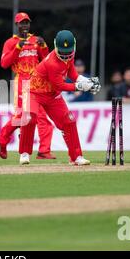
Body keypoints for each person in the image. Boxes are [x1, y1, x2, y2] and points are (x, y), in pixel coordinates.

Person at [19, 30, 101, 165]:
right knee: (30, 117)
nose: (66, 57)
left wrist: (88, 82)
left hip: (52, 95)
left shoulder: (70, 55)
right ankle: (24, 153)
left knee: (69, 122)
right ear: (56, 46)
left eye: (68, 53)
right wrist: (81, 86)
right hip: (33, 91)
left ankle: (76, 157)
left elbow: (73, 74)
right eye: (63, 54)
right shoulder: (52, 63)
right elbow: (60, 85)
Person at [0, 12, 56, 162]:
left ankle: (44, 151)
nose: (24, 26)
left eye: (27, 23)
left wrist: (43, 47)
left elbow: (47, 61)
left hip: (38, 82)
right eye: (21, 23)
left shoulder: (36, 40)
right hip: (22, 82)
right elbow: (4, 64)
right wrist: (17, 48)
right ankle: (2, 139)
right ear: (16, 25)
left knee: (42, 118)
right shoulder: (10, 42)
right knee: (22, 117)